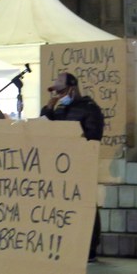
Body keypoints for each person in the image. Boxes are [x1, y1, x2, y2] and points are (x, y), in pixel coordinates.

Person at [41, 72, 104, 262]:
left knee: (86, 205)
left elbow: (93, 137)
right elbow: (45, 131)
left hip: (81, 165)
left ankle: (90, 248)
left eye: (61, 91)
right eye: (55, 92)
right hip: (61, 166)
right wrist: (47, 110)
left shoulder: (90, 109)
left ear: (72, 88)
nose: (58, 95)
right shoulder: (59, 110)